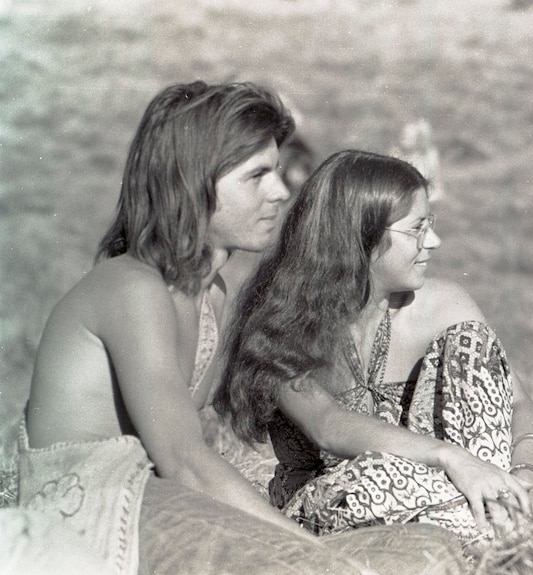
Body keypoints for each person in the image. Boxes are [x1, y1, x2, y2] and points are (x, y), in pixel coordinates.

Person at [16, 82, 462, 575]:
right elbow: (186, 462)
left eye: (276, 171)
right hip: (97, 512)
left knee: (427, 548)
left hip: (159, 500)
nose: (281, 190)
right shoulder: (131, 286)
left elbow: (311, 415)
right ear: (194, 184)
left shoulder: (210, 294)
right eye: (257, 176)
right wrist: (315, 554)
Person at [215, 149, 533, 546]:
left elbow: (515, 404)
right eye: (417, 229)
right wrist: (451, 458)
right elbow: (328, 426)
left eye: (432, 224)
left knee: (470, 339)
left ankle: (500, 510)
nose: (434, 241)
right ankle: (497, 524)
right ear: (360, 236)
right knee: (372, 475)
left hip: (462, 485)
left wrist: (526, 473)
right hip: (348, 499)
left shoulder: (447, 305)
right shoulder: (282, 326)